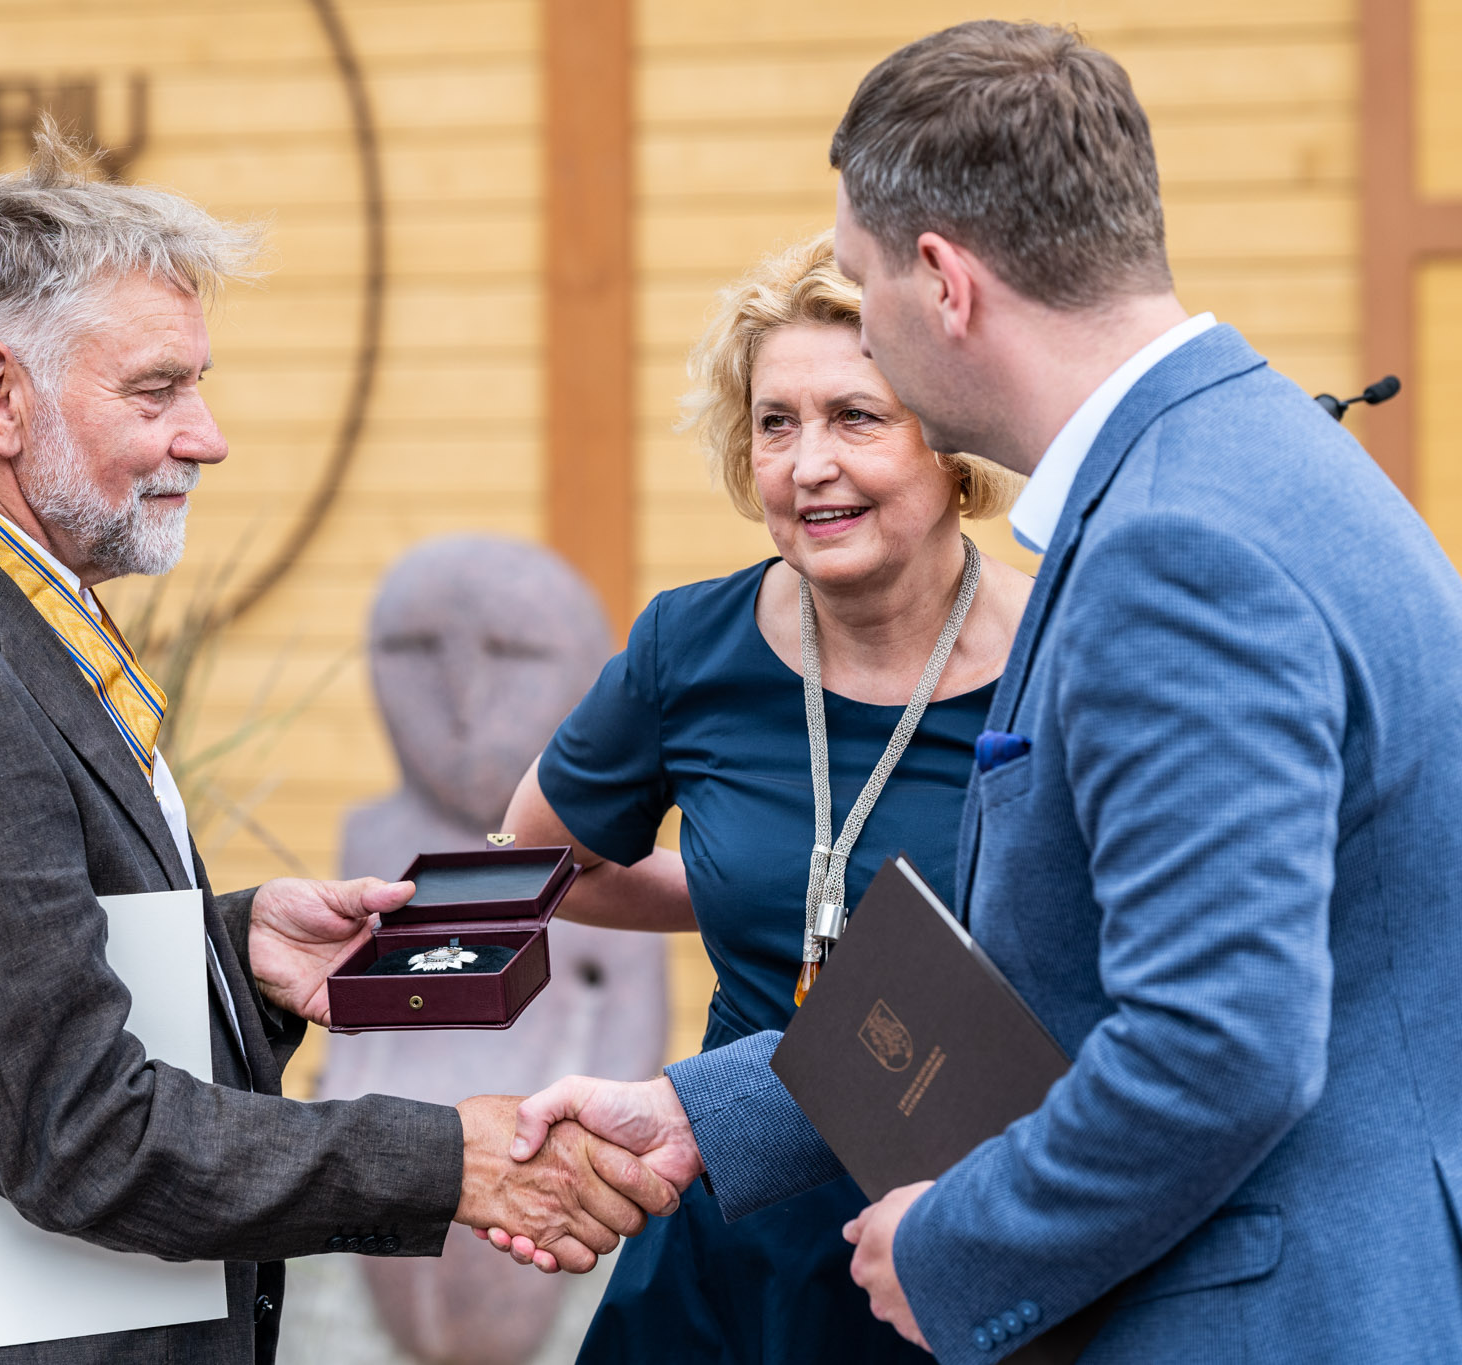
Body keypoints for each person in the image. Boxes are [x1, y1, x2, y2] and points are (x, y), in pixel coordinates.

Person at [499, 20, 1462, 1365]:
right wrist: (703, 1113)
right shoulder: (1248, 456)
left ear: (943, 283)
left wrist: (957, 1244)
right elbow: (1054, 967)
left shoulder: (1172, 548)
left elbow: (1216, 1049)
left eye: (863, 286)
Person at [0, 127, 676, 1365]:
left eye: (197, 384)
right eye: (156, 391)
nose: (207, 435)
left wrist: (233, 952)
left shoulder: (2, 610)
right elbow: (74, 1130)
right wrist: (450, 1159)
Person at [493, 232, 1028, 1364]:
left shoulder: (1064, 655)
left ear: (950, 440)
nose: (807, 463)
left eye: (855, 417)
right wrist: (743, 886)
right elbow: (536, 861)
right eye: (774, 423)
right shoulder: (690, 645)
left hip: (967, 1230)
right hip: (727, 1220)